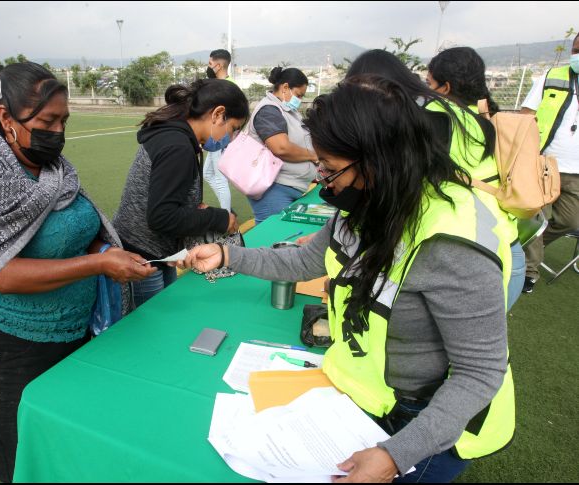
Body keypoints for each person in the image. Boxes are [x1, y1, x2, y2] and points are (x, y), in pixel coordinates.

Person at [182, 76, 515, 483]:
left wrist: (395, 456)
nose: (323, 179)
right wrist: (227, 254)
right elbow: (306, 260)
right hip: (360, 400)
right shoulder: (364, 203)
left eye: (332, 168)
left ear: (379, 161)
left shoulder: (452, 244)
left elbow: (479, 372)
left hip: (420, 422)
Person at [0, 62, 155, 483]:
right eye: (46, 121)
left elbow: (77, 226)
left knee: (69, 440)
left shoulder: (55, 168)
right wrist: (98, 263)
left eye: (63, 121)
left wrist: (104, 248)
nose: (57, 132)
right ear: (6, 118)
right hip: (10, 343)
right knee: (22, 457)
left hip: (74, 332)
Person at [344, 48, 523, 311]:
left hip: (472, 258)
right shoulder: (467, 116)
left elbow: (391, 192)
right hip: (499, 246)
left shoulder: (431, 119)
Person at [112, 79, 246, 306]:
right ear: (218, 114)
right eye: (233, 128)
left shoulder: (177, 137)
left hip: (154, 253)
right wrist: (220, 218)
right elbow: (161, 217)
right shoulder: (178, 146)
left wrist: (193, 209)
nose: (230, 138)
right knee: (151, 327)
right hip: (142, 256)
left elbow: (167, 199)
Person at [520, 32, 579, 294]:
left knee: (570, 221)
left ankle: (523, 248)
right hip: (545, 163)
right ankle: (529, 272)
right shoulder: (552, 77)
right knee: (537, 217)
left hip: (577, 172)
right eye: (576, 48)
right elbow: (526, 115)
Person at [247, 66, 318, 224]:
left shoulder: (288, 110)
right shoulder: (269, 110)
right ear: (285, 87)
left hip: (290, 186)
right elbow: (281, 148)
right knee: (273, 237)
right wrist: (314, 156)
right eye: (298, 95)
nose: (299, 100)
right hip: (275, 189)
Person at [203, 49, 236, 211]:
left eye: (210, 64)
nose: (208, 67)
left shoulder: (228, 86)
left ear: (218, 65)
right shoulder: (220, 84)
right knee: (207, 174)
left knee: (220, 179)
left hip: (220, 137)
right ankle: (227, 209)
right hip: (215, 137)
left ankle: (227, 216)